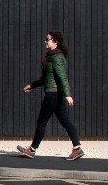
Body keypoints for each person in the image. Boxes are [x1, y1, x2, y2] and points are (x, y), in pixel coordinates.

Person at [17, 30, 84, 160]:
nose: (45, 41)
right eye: (46, 39)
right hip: (56, 93)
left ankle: (31, 150)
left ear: (55, 42)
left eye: (48, 39)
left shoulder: (56, 57)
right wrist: (32, 85)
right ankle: (77, 148)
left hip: (53, 94)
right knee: (65, 121)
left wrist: (68, 94)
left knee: (42, 121)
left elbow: (62, 77)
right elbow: (46, 78)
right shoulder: (52, 56)